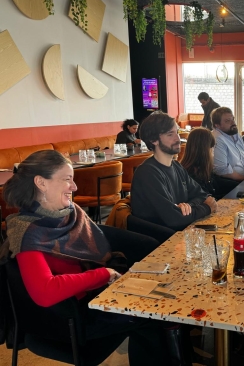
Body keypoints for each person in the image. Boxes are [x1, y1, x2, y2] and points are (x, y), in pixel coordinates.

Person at [0, 150, 173, 365]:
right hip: (71, 320)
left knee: (157, 300)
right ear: (41, 183)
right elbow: (45, 292)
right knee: (152, 315)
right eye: (67, 180)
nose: (75, 187)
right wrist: (104, 274)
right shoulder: (28, 233)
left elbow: (100, 244)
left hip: (91, 297)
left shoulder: (69, 214)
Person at [131, 111, 217, 231]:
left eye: (177, 132)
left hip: (181, 233)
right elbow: (174, 219)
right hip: (160, 241)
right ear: (153, 140)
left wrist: (188, 206)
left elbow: (202, 195)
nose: (178, 138)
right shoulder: (147, 173)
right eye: (170, 134)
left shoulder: (176, 166)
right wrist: (206, 208)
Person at [211, 107, 244, 181]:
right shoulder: (217, 139)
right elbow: (222, 170)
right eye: (228, 121)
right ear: (217, 125)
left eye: (233, 119)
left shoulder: (235, 134)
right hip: (230, 184)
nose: (233, 123)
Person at [180, 127, 221, 199]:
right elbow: (207, 200)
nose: (213, 150)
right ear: (203, 150)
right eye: (211, 147)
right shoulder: (190, 175)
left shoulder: (202, 167)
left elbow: (217, 182)